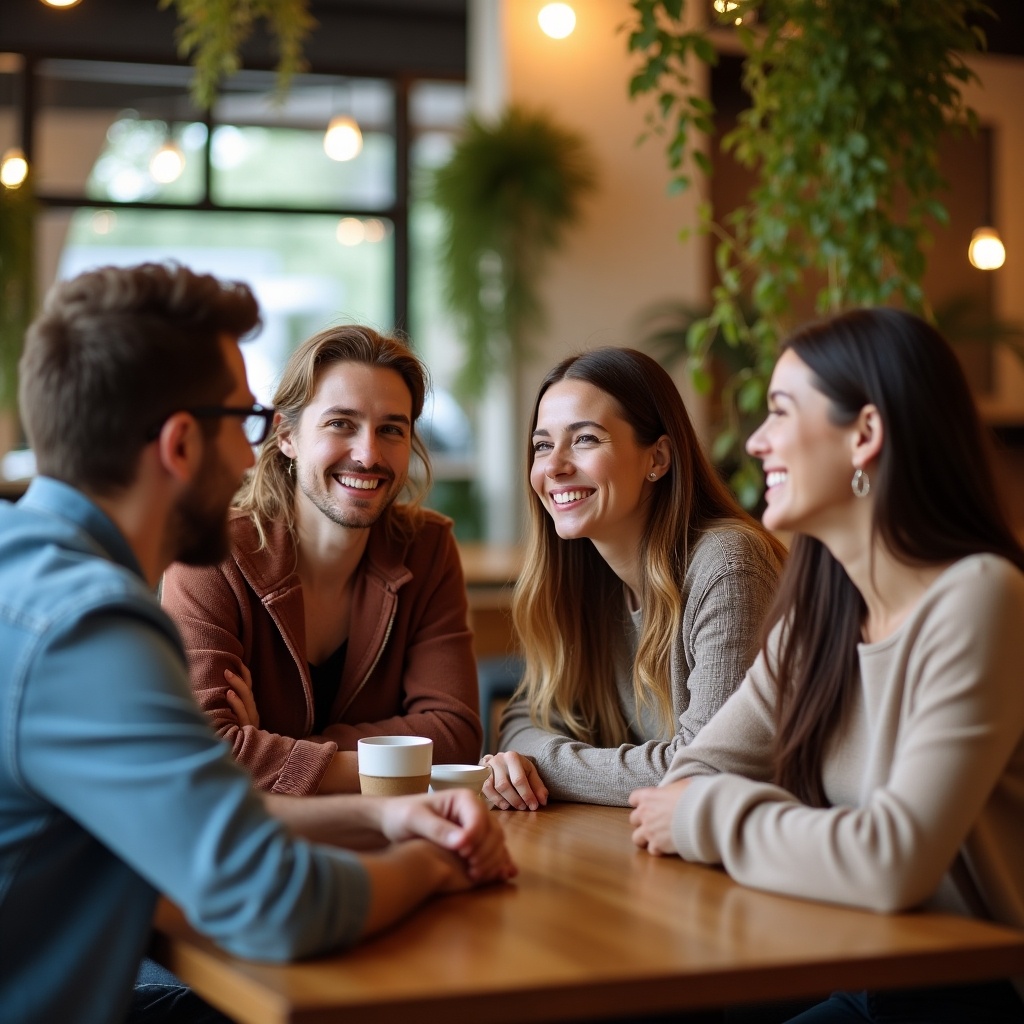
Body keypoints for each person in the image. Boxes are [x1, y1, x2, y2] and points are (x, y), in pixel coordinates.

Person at [0, 263, 515, 1024]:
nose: (251, 457)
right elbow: (274, 901)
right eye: (244, 423)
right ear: (180, 444)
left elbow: (204, 808)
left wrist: (380, 817)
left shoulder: (24, 573)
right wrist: (432, 866)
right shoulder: (90, 629)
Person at [629, 307, 1024, 1023]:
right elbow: (688, 776)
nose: (755, 441)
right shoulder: (822, 614)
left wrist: (712, 818)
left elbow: (893, 860)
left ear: (865, 435)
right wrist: (791, 833)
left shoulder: (982, 597)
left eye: (779, 412)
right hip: (859, 957)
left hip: (973, 993)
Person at [160, 325, 482, 795]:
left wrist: (276, 748)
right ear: (287, 436)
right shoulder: (209, 554)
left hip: (387, 836)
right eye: (340, 424)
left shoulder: (428, 548)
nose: (368, 454)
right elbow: (202, 752)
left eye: (391, 429)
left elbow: (456, 737)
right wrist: (390, 760)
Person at [484, 347, 785, 810]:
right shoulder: (587, 578)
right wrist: (528, 752)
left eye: (584, 439)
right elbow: (526, 714)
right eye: (542, 445)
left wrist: (539, 764)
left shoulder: (728, 566)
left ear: (658, 458)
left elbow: (707, 772)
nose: (554, 466)